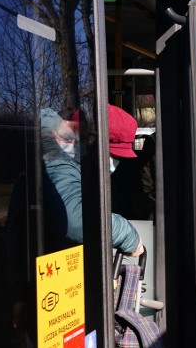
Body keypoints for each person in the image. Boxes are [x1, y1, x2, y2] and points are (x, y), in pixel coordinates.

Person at [41, 104, 144, 256]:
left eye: (81, 137)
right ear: (53, 134)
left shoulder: (81, 164)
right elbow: (75, 220)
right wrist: (126, 233)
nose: (75, 143)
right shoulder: (57, 162)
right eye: (68, 137)